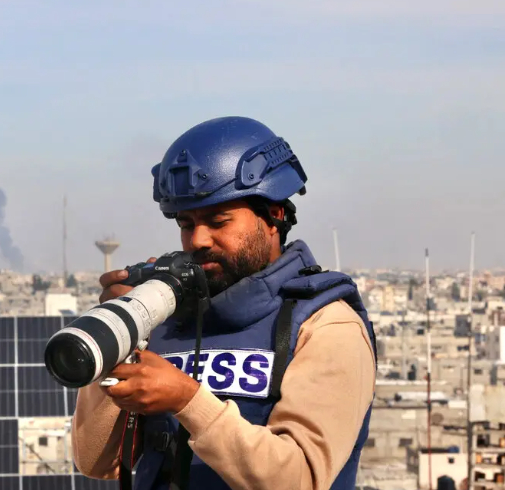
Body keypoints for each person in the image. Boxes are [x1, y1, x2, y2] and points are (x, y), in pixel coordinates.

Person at [71, 116, 377, 490]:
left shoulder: (324, 324)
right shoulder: (168, 316)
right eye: (186, 224)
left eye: (219, 220)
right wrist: (122, 332)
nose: (198, 239)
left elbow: (300, 477)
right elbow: (95, 460)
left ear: (275, 214)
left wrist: (188, 400)